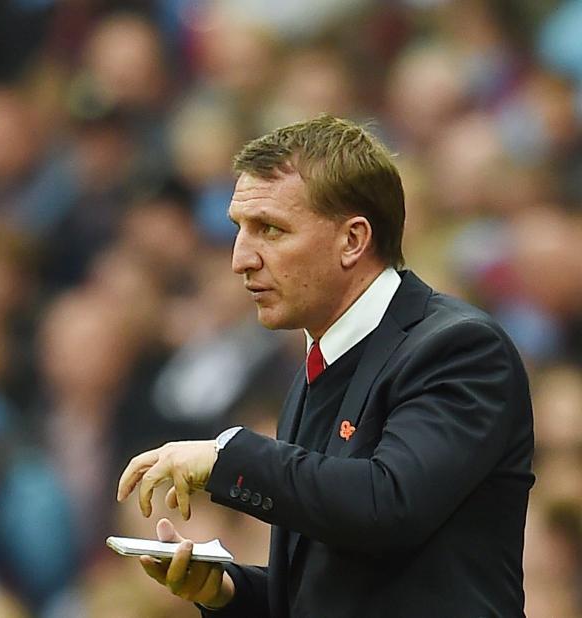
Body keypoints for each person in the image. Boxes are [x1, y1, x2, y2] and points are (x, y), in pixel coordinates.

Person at [117, 114, 534, 617]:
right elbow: (329, 591)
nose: (241, 259)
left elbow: (388, 504)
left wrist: (229, 458)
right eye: (239, 229)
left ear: (353, 240)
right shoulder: (321, 363)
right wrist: (224, 591)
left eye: (269, 229)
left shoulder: (459, 349)